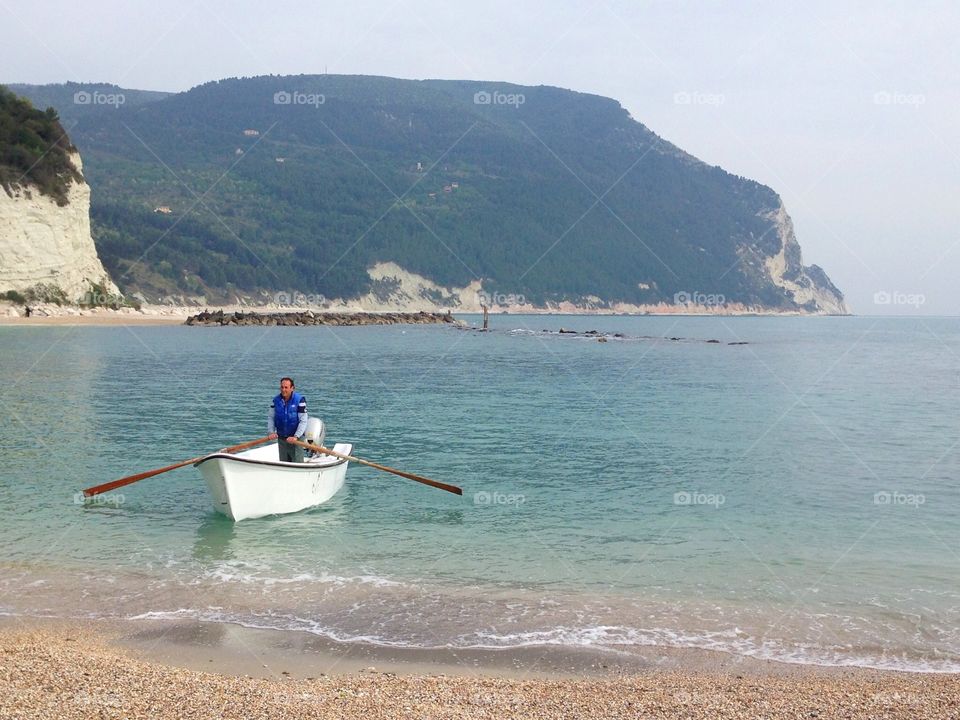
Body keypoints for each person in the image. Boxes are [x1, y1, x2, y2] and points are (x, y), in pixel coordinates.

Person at [268, 377, 308, 462]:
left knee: (297, 464)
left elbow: (303, 421)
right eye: (282, 387)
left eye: (286, 387)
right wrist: (271, 432)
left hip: (296, 440)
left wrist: (296, 436)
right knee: (284, 464)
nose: (283, 390)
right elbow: (271, 417)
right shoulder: (275, 400)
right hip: (282, 438)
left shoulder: (300, 400)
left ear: (292, 388)